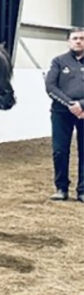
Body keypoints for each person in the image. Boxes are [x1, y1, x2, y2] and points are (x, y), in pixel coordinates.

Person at [44, 27, 84, 202]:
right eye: (75, 38)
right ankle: (61, 188)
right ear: (68, 41)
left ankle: (82, 191)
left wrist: (81, 105)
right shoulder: (58, 61)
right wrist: (70, 105)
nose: (78, 41)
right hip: (61, 113)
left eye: (82, 38)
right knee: (60, 150)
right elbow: (50, 87)